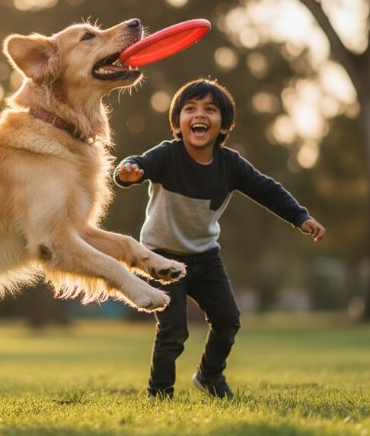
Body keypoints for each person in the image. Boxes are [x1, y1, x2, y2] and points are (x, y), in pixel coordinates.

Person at [114, 78, 325, 399]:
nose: (200, 115)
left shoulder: (230, 165)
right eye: (190, 109)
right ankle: (159, 394)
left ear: (224, 125)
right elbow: (141, 163)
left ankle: (210, 376)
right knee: (174, 330)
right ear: (178, 122)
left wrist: (300, 217)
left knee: (228, 320)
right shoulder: (168, 156)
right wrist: (128, 172)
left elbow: (267, 190)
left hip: (204, 256)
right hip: (159, 257)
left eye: (210, 110)